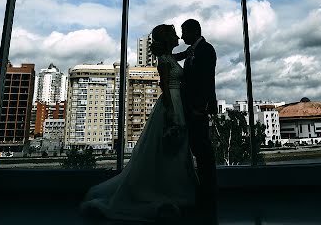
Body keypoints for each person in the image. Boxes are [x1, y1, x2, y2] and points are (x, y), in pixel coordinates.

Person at [80, 24, 198, 222]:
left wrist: (192, 48)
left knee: (176, 150)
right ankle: (170, 193)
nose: (178, 35)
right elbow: (164, 86)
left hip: (178, 103)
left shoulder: (169, 57)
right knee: (170, 150)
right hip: (172, 104)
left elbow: (180, 56)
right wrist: (170, 110)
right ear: (168, 39)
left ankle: (175, 191)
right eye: (174, 33)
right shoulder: (163, 60)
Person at [180, 18, 218, 210]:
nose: (181, 36)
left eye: (184, 32)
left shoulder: (206, 49)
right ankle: (204, 190)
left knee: (202, 150)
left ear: (194, 31)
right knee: (198, 148)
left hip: (197, 109)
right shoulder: (192, 51)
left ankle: (208, 192)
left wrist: (200, 106)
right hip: (191, 108)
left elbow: (206, 80)